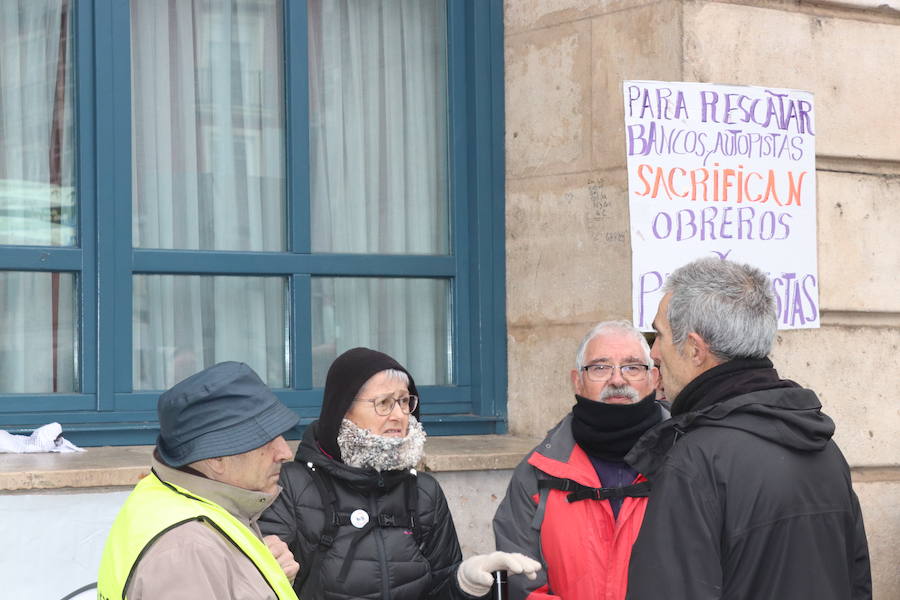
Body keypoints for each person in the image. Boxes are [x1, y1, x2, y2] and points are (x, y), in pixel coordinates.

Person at [626, 257, 872, 599]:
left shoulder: (696, 462)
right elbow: (857, 584)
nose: (653, 352)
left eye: (660, 335)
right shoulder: (826, 450)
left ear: (695, 349)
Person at [260, 346, 541, 599]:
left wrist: (464, 583)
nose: (398, 415)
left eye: (405, 401)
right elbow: (262, 582)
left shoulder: (424, 492)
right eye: (383, 403)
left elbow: (439, 590)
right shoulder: (292, 486)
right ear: (342, 409)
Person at [493, 320, 668, 600]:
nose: (617, 380)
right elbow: (523, 587)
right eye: (600, 368)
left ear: (654, 378)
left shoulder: (691, 459)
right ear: (577, 381)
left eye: (632, 367)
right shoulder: (536, 474)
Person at [97, 361, 302, 599]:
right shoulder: (187, 549)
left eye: (280, 435)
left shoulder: (170, 500)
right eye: (265, 440)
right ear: (216, 458)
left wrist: (263, 577)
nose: (285, 452)